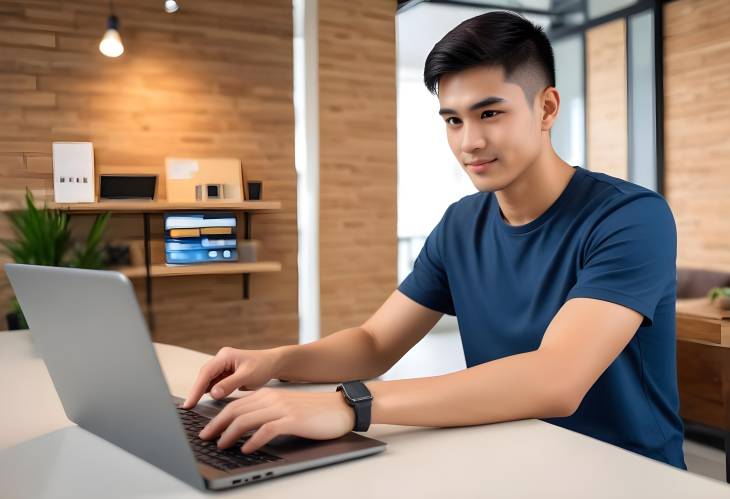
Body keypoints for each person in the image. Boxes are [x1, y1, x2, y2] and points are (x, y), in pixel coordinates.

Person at [183, 10, 685, 469]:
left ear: (547, 107)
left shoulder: (631, 218)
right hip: (507, 459)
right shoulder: (460, 223)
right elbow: (375, 342)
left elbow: (556, 379)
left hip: (626, 474)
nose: (469, 142)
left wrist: (349, 404)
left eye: (490, 114)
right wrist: (277, 360)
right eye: (453, 119)